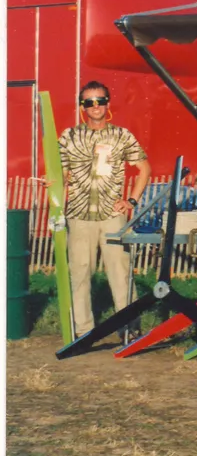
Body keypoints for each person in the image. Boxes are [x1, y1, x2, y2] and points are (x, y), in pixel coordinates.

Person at [58, 81, 151, 338]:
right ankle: (84, 332)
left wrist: (131, 201)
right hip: (78, 216)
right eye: (89, 102)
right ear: (82, 107)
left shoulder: (121, 135)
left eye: (100, 100)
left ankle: (129, 330)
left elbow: (144, 169)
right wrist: (54, 180)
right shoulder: (69, 137)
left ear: (108, 103)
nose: (95, 106)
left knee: (120, 274)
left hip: (112, 216)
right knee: (79, 274)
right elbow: (62, 174)